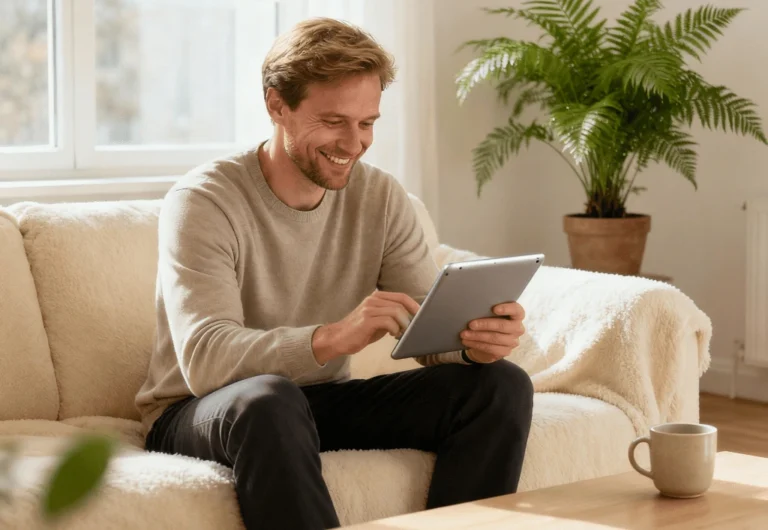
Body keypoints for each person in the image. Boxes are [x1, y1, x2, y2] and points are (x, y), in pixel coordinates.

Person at [135, 17, 533, 530]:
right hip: (204, 410)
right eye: (333, 121)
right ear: (277, 105)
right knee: (270, 399)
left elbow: (427, 327)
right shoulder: (204, 201)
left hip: (309, 403)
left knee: (498, 386)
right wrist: (333, 337)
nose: (354, 143)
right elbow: (205, 360)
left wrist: (474, 342)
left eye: (367, 123)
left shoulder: (380, 196)